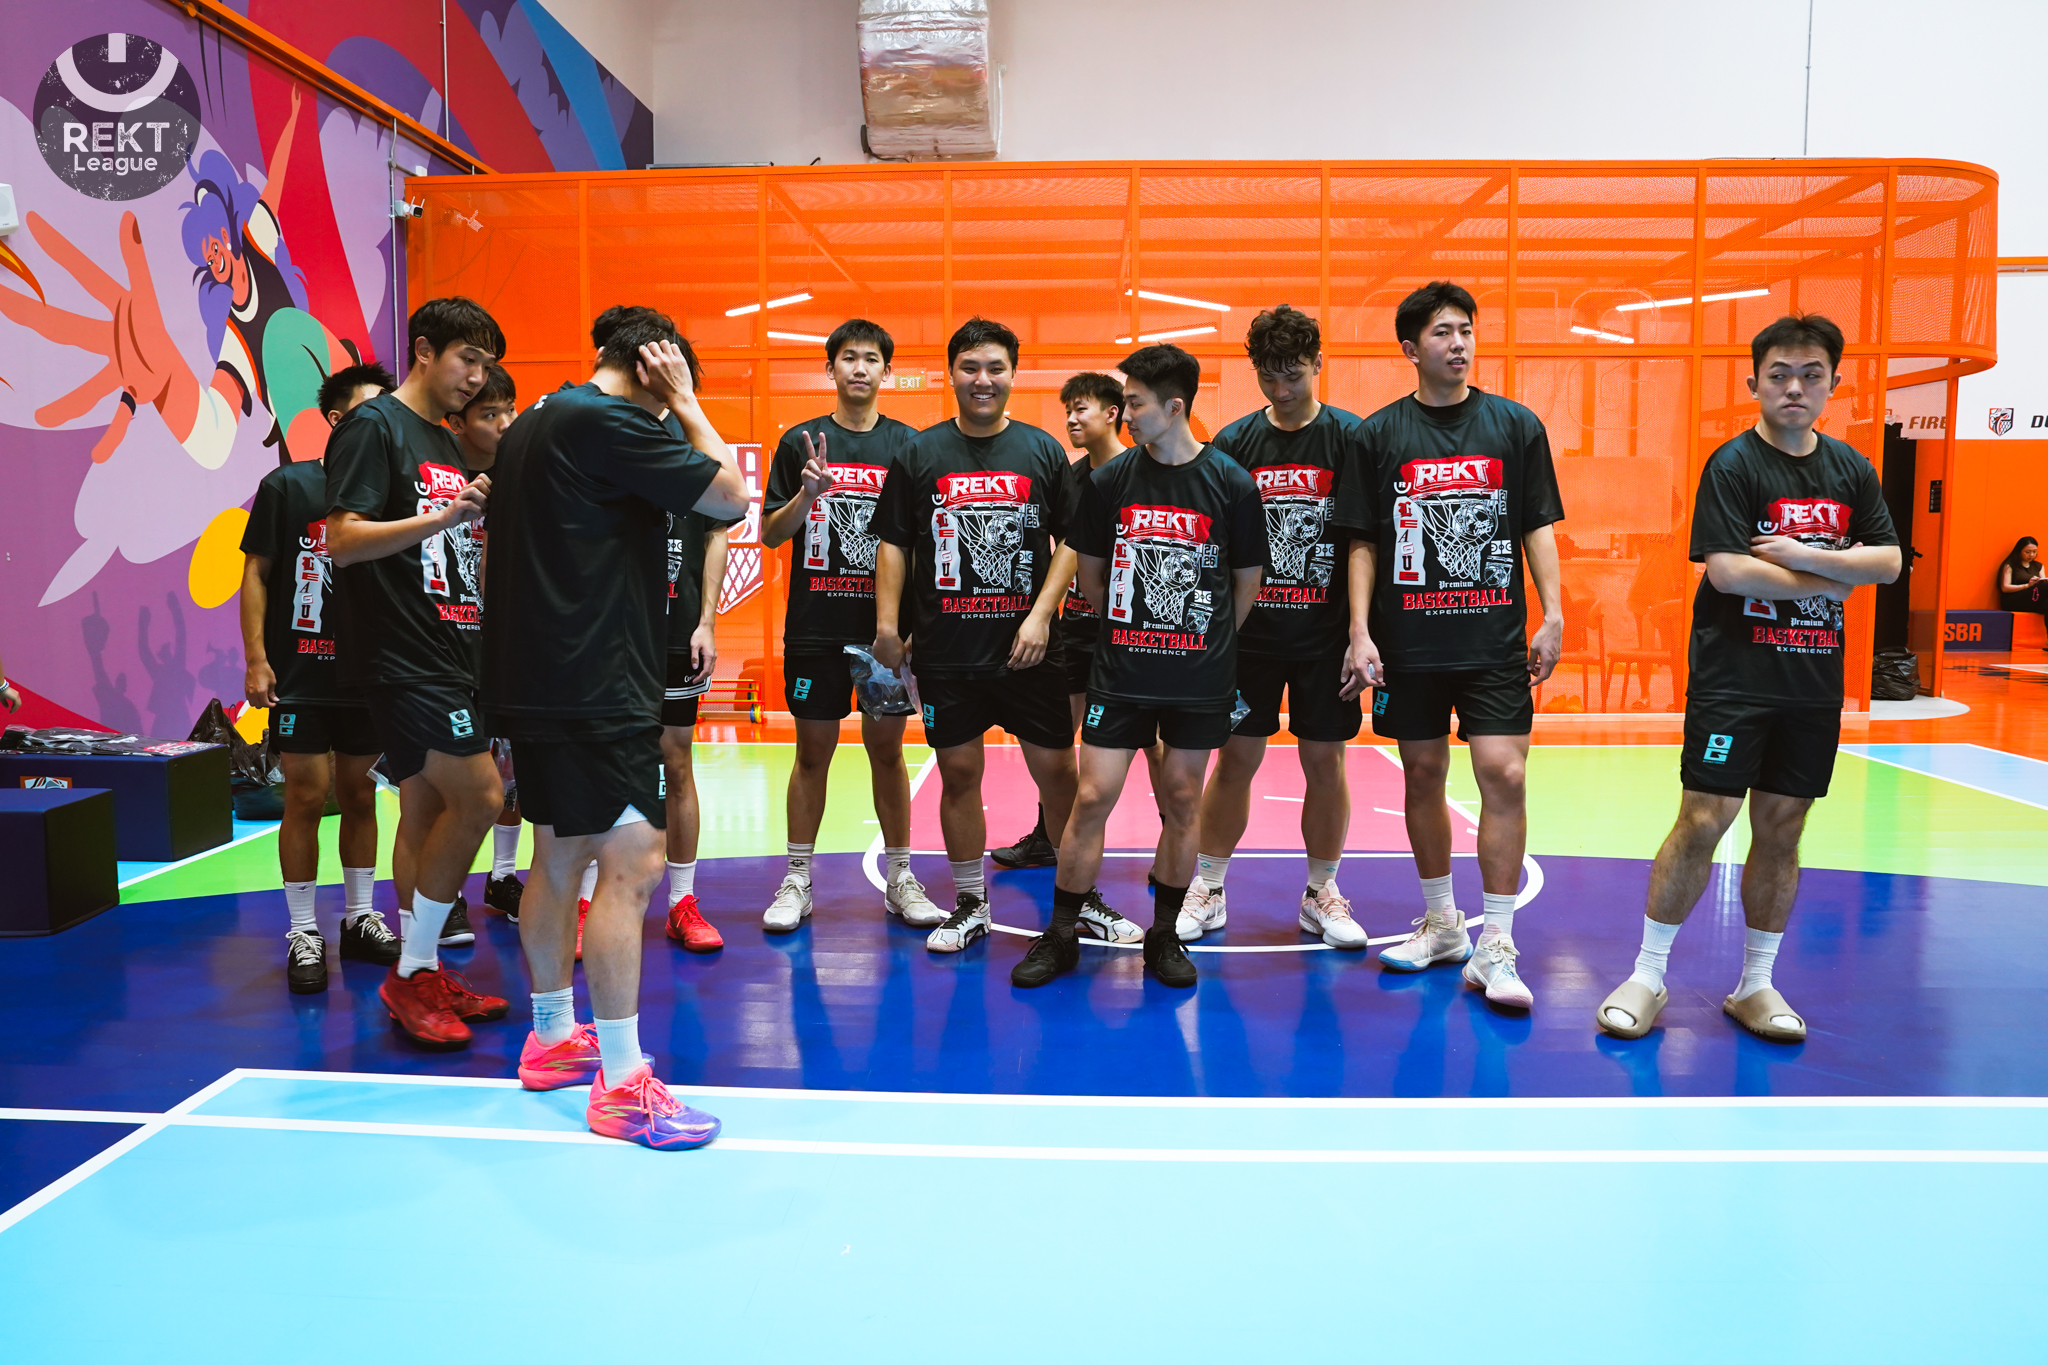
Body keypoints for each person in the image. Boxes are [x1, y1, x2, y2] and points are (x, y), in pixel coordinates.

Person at [1595, 315, 1900, 1044]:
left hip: (1811, 684)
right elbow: (1729, 571)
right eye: (1779, 375)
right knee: (1704, 819)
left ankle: (1755, 984)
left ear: (1833, 383)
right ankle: (1648, 975)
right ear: (1754, 383)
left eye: (1811, 374)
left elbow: (1888, 562)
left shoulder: (1853, 470)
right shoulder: (1733, 466)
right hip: (1734, 679)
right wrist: (1836, 574)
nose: (1795, 387)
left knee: (1784, 828)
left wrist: (1800, 555)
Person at [483, 307, 747, 1147]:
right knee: (632, 863)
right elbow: (731, 497)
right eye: (666, 388)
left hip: (540, 675)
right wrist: (689, 402)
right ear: (650, 366)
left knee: (559, 855)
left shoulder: (537, 420)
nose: (668, 411)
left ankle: (552, 1038)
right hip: (595, 678)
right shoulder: (609, 419)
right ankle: (624, 1085)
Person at [1333, 280, 1565, 1010]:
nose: (1458, 343)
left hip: (1493, 641)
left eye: (1465, 329)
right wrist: (1360, 631)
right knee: (1423, 773)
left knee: (1505, 772)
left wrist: (1553, 613)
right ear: (1411, 349)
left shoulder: (1515, 425)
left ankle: (1496, 944)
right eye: (1442, 332)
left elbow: (1536, 526)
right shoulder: (1377, 435)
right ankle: (1441, 925)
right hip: (1411, 645)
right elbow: (1363, 543)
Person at [1013, 344, 1266, 989]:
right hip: (1121, 673)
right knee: (1092, 795)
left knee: (1181, 798)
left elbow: (1245, 584)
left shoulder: (1232, 484)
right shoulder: (1111, 481)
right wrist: (1137, 631)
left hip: (1199, 678)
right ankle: (1062, 932)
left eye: (1134, 403)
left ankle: (1164, 935)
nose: (1124, 414)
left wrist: (1202, 641)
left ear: (1173, 407)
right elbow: (1091, 578)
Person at [325, 297, 509, 1049]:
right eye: (468, 360)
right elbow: (342, 540)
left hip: (454, 651)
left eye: (486, 367)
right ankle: (411, 973)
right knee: (483, 796)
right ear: (425, 350)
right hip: (402, 655)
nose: (476, 378)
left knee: (428, 809)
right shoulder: (373, 426)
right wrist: (441, 518)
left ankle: (423, 972)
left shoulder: (445, 439)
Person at [870, 316, 1081, 954]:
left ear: (1013, 375)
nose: (982, 379)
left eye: (995, 368)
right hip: (947, 649)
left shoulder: (1042, 450)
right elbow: (894, 544)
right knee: (959, 772)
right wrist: (887, 626)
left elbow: (1072, 540)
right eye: (970, 368)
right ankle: (970, 903)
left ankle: (1078, 900)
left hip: (1030, 650)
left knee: (1059, 773)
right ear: (951, 374)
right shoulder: (920, 453)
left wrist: (1041, 614)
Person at [1183, 305, 1370, 948]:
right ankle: (1209, 886)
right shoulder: (1235, 442)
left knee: (1325, 761)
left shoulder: (1351, 439)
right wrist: (1212, 637)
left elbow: (1365, 542)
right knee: (1235, 759)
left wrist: (1362, 634)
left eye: (1293, 374)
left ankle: (1322, 892)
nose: (1282, 389)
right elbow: (1213, 547)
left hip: (1327, 639)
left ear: (1318, 362)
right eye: (1268, 376)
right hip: (1250, 640)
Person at [756, 319, 944, 934]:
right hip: (816, 629)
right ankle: (797, 879)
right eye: (848, 358)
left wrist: (910, 629)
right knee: (812, 753)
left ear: (887, 371)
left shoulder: (909, 446)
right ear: (831, 368)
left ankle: (901, 877)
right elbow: (770, 534)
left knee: (887, 751)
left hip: (882, 635)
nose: (859, 368)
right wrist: (807, 496)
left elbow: (922, 545)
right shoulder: (799, 441)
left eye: (870, 359)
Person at [239, 361, 400, 994]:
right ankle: (304, 930)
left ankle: (360, 918)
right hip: (301, 675)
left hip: (368, 675)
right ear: (337, 419)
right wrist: (257, 658)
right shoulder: (288, 486)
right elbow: (256, 574)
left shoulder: (392, 490)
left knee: (361, 795)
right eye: (370, 408)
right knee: (305, 796)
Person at [991, 372, 1132, 868]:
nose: (1071, 419)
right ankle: (1048, 838)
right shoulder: (1069, 476)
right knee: (1054, 740)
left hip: (1128, 633)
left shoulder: (1141, 473)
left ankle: (1171, 846)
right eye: (1067, 410)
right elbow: (1065, 549)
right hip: (1072, 626)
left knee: (1152, 745)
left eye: (1081, 409)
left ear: (1112, 413)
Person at [446, 363, 529, 923]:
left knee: (510, 773)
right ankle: (446, 891)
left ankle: (501, 877)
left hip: (505, 648)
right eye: (490, 414)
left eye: (510, 410)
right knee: (444, 781)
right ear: (458, 422)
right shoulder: (435, 476)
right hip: (442, 648)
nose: (504, 423)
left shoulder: (519, 478)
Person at [1999, 536, 2046, 628]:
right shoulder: (2010, 565)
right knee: (2045, 587)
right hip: (2014, 599)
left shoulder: (2038, 566)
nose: (2031, 555)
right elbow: (2005, 587)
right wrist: (2027, 585)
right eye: (2027, 552)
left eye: (2034, 552)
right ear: (2019, 551)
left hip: (2033, 599)